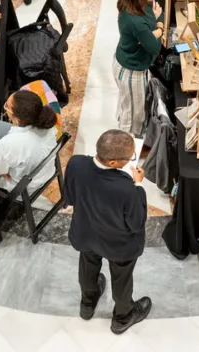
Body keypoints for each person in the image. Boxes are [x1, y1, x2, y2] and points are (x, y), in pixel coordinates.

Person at [65, 129, 151, 334]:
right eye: (129, 157)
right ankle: (122, 317)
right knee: (121, 278)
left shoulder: (76, 163)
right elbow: (136, 223)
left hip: (85, 231)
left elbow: (69, 196)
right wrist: (138, 185)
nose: (131, 160)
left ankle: (88, 302)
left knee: (88, 264)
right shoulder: (127, 188)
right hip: (118, 244)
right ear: (113, 162)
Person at [114, 0, 163, 136]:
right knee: (134, 116)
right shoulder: (136, 21)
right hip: (132, 71)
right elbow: (154, 46)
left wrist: (154, 28)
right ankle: (124, 148)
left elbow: (154, 15)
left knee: (128, 105)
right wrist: (160, 28)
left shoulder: (133, 1)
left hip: (127, 60)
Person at [0, 90, 60, 192]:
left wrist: (2, 170)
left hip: (22, 186)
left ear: (17, 118)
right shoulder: (47, 125)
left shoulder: (10, 144)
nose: (6, 109)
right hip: (43, 171)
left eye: (7, 106)